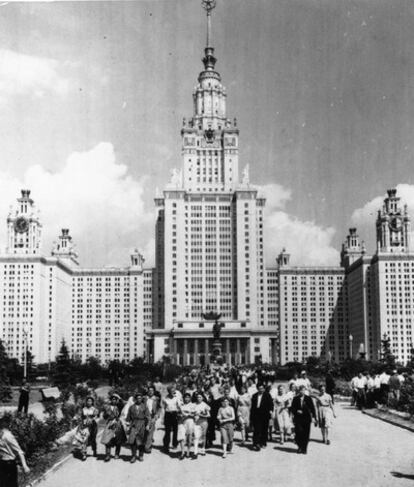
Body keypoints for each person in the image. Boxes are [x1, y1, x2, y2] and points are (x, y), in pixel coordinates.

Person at [0, 411, 30, 487]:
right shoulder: (5, 435)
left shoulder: (5, 435)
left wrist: (24, 466)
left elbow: (18, 451)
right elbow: (19, 451)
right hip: (5, 464)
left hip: (6, 463)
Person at [290, 385, 317, 454]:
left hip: (306, 419)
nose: (302, 391)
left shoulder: (308, 398)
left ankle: (304, 448)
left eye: (303, 390)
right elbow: (292, 408)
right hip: (298, 419)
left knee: (306, 434)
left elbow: (312, 409)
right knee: (298, 432)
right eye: (301, 390)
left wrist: (314, 417)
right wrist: (296, 411)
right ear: (298, 391)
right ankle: (299, 446)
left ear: (305, 391)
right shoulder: (295, 398)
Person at [126, 392, 150, 463]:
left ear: (142, 399)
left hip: (142, 424)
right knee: (132, 441)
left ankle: (141, 455)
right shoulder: (131, 407)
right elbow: (128, 418)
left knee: (141, 441)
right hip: (134, 424)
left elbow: (148, 417)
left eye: (140, 398)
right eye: (137, 398)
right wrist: (127, 426)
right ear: (135, 399)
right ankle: (133, 456)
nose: (139, 399)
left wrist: (148, 425)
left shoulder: (144, 406)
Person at [101, 394, 126, 462]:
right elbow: (104, 417)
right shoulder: (107, 407)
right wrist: (106, 414)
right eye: (112, 399)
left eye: (115, 399)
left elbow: (123, 403)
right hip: (109, 423)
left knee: (118, 439)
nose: (114, 400)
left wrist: (119, 397)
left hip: (117, 423)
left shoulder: (119, 406)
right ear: (111, 400)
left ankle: (117, 454)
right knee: (107, 439)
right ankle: (108, 455)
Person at [74, 396, 99, 460]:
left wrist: (92, 419)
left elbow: (96, 416)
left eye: (90, 401)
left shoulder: (94, 409)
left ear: (92, 402)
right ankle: (84, 454)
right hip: (85, 426)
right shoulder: (83, 409)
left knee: (93, 439)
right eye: (88, 401)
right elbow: (80, 417)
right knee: (84, 439)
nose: (89, 402)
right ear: (86, 402)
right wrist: (80, 421)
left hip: (93, 426)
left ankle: (94, 451)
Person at [250, 383, 273, 451]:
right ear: (257, 389)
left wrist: (271, 410)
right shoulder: (254, 395)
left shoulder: (267, 395)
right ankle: (256, 443)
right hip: (256, 414)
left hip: (265, 414)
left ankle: (263, 443)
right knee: (257, 429)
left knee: (264, 429)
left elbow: (271, 404)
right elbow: (252, 407)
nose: (261, 390)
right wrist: (251, 416)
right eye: (260, 389)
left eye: (262, 388)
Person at [162, 385, 181, 453]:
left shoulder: (176, 398)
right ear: (168, 391)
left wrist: (180, 414)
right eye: (171, 391)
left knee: (175, 430)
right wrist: (162, 419)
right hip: (167, 415)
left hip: (175, 414)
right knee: (167, 431)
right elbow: (163, 408)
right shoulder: (165, 398)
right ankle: (166, 446)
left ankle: (174, 444)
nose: (173, 392)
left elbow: (179, 406)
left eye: (174, 391)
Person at [177, 393, 195, 459]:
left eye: (188, 397)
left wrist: (187, 414)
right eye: (185, 397)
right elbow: (178, 414)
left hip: (189, 422)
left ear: (190, 398)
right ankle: (182, 452)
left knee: (189, 437)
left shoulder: (193, 405)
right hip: (181, 422)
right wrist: (180, 415)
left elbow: (193, 414)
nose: (187, 399)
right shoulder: (181, 405)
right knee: (181, 437)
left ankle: (188, 452)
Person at [193, 392, 210, 457]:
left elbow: (208, 415)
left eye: (200, 397)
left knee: (203, 436)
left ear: (202, 398)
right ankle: (195, 451)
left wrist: (201, 414)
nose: (198, 398)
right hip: (196, 422)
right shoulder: (194, 404)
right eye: (197, 397)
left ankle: (203, 449)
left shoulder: (205, 405)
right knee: (196, 436)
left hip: (203, 422)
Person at [144, 386, 161, 453]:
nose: (150, 392)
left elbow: (159, 408)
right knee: (145, 431)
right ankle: (145, 444)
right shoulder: (144, 398)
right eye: (149, 390)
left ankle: (147, 447)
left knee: (150, 432)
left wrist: (157, 415)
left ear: (154, 391)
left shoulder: (156, 399)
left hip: (152, 416)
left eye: (152, 390)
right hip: (144, 416)